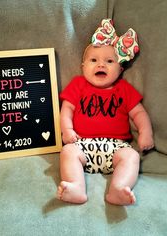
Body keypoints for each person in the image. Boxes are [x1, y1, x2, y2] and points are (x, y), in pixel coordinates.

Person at [56, 19, 154, 205]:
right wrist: (67, 130)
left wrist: (145, 133)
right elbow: (67, 109)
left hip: (116, 147)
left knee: (131, 157)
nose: (101, 65)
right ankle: (76, 186)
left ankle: (118, 188)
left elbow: (139, 113)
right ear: (83, 67)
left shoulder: (124, 89)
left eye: (109, 61)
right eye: (93, 60)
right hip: (82, 144)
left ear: (120, 68)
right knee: (68, 152)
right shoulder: (78, 85)